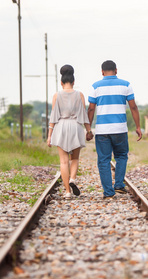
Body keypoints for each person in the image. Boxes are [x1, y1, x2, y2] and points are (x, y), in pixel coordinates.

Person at [87, 60, 142, 200]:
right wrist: (138, 127)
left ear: (102, 72)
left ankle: (108, 192)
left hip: (102, 131)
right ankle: (118, 184)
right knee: (122, 156)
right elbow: (133, 107)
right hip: (120, 129)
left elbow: (91, 108)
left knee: (104, 160)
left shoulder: (95, 86)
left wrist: (88, 129)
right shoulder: (126, 85)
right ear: (116, 70)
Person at [47, 64, 93, 200]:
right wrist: (89, 131)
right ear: (74, 82)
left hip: (61, 126)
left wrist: (49, 136)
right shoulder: (79, 95)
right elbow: (84, 115)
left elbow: (53, 116)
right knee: (75, 158)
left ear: (61, 82)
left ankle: (67, 191)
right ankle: (73, 178)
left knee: (63, 161)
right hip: (76, 126)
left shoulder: (57, 95)